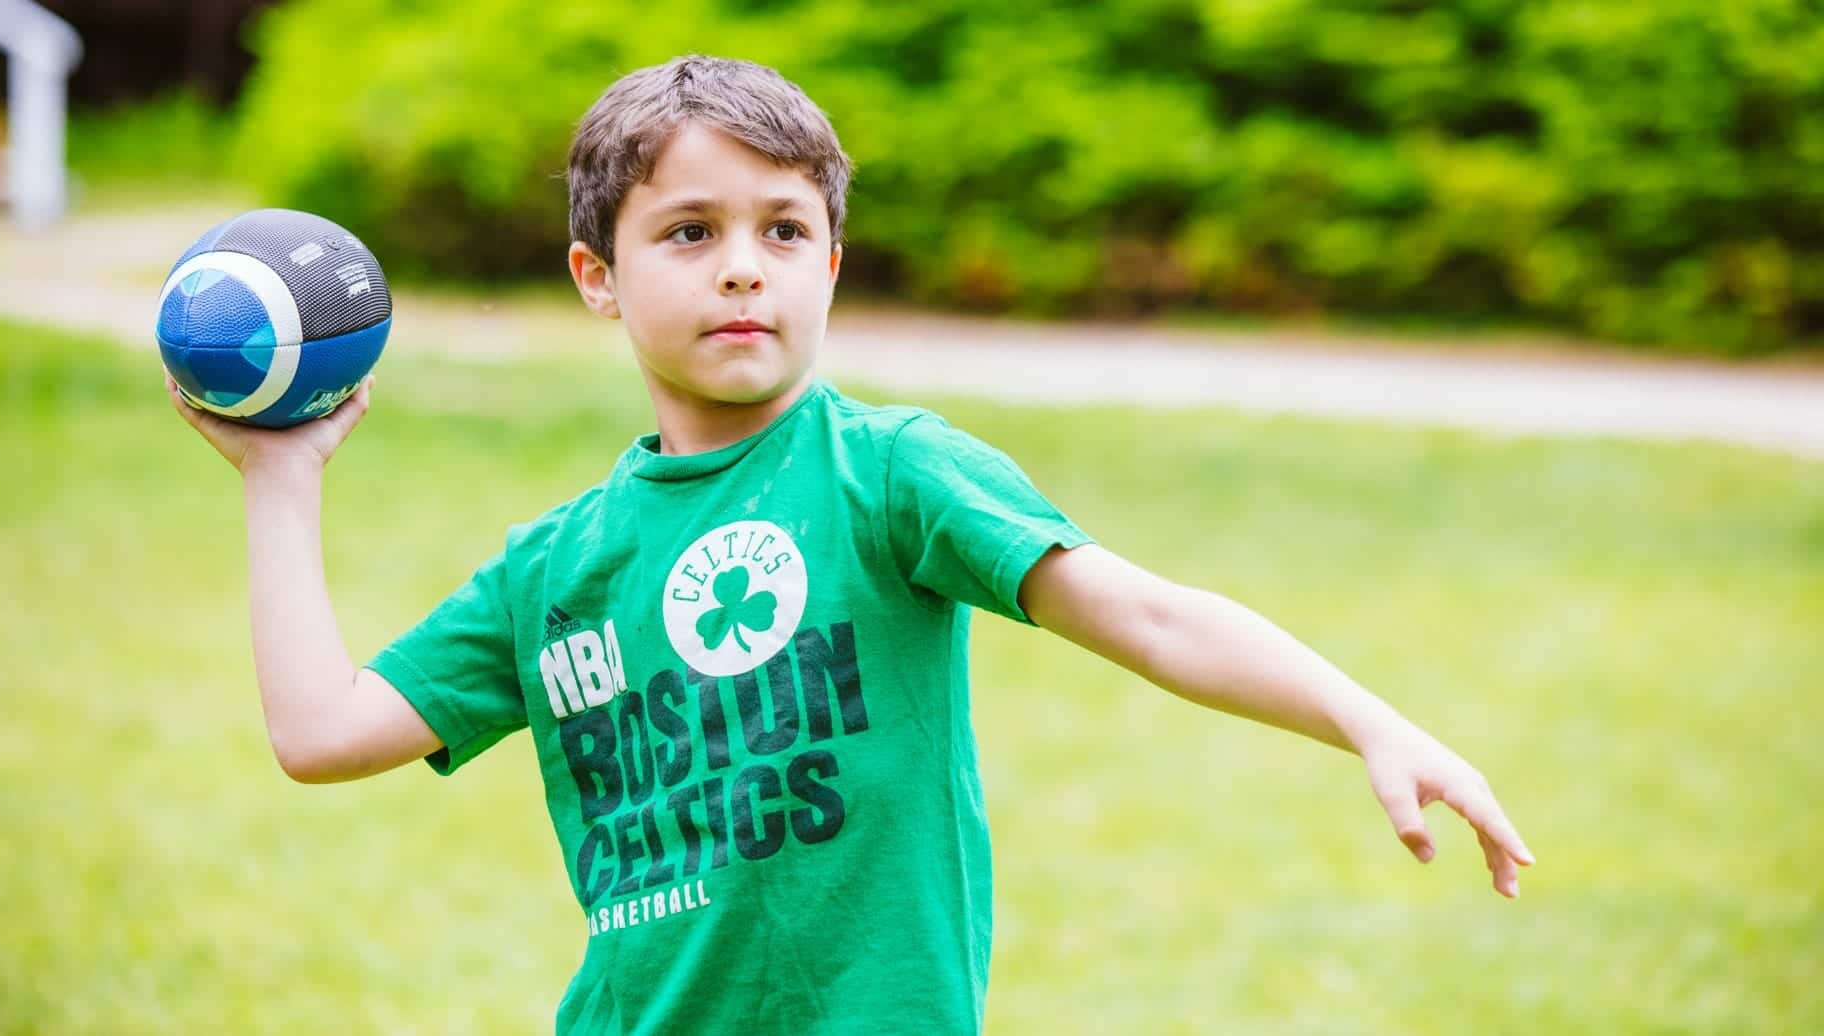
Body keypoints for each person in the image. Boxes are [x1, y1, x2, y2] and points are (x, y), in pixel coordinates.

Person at [170, 54, 1534, 1035]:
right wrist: (281, 480)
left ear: (831, 260)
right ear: (598, 277)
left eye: (784, 229)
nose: (744, 267)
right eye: (689, 233)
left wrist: (1367, 719)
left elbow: (1154, 617)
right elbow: (322, 731)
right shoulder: (552, 570)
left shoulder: (892, 477)